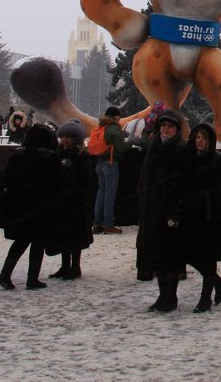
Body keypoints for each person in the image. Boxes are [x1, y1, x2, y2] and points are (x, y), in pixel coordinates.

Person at [135, 109, 189, 311]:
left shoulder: (181, 149)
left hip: (171, 210)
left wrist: (177, 209)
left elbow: (185, 182)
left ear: (176, 129)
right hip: (153, 208)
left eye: (170, 126)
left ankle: (171, 296)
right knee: (157, 255)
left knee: (170, 256)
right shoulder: (154, 146)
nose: (166, 129)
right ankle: (161, 295)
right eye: (163, 126)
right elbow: (145, 175)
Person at [0, 125, 61, 290]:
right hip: (41, 206)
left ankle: (5, 274)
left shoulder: (17, 156)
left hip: (19, 205)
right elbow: (57, 182)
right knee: (38, 243)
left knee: (20, 241)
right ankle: (32, 278)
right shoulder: (50, 157)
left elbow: (9, 179)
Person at [182, 122, 221, 313]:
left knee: (208, 256)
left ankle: (205, 298)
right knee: (188, 254)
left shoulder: (219, 160)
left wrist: (206, 195)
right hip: (192, 214)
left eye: (203, 138)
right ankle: (218, 282)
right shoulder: (190, 159)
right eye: (197, 137)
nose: (199, 141)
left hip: (211, 215)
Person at [50, 119, 94, 281]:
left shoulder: (82, 155)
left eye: (70, 136)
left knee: (75, 235)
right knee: (64, 234)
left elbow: (86, 178)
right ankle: (64, 265)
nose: (66, 139)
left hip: (76, 202)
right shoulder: (58, 153)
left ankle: (75, 267)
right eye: (64, 136)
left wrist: (70, 175)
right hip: (62, 201)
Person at [90, 105, 128, 235]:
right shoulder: (114, 128)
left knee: (100, 194)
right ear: (115, 117)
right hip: (111, 163)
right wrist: (132, 140)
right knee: (109, 195)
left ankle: (97, 224)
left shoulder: (101, 127)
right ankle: (108, 224)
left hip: (99, 163)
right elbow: (121, 147)